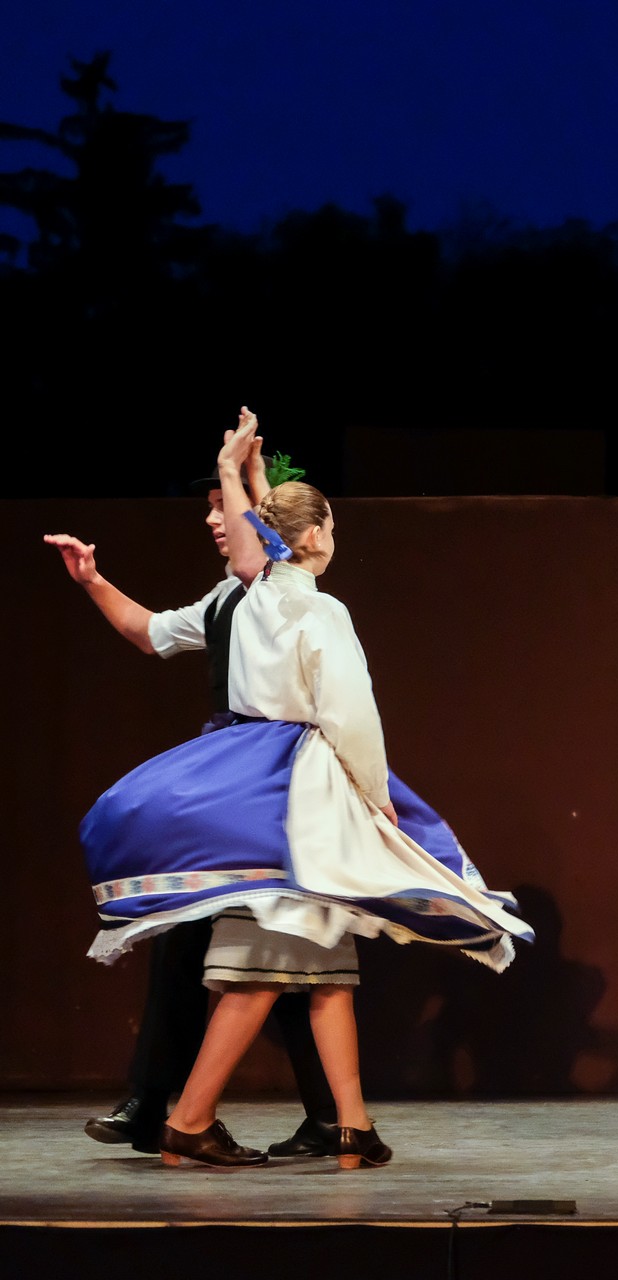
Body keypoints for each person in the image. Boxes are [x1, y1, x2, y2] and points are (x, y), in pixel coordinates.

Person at [80, 454, 532, 1168]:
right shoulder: (319, 609)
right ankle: (190, 1119)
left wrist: (245, 474)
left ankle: (350, 1125)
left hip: (250, 775)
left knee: (325, 960)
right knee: (266, 960)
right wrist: (376, 796)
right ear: (316, 534)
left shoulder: (248, 601)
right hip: (301, 784)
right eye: (329, 525)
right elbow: (348, 710)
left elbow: (257, 554)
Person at [43, 414, 339, 1158]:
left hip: (272, 781)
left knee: (272, 948)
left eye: (222, 507)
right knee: (242, 943)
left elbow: (270, 545)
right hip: (233, 778)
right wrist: (93, 581)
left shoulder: (280, 585)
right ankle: (183, 1106)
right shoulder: (227, 597)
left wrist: (243, 471)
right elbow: (151, 633)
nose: (214, 519)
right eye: (209, 508)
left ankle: (185, 1108)